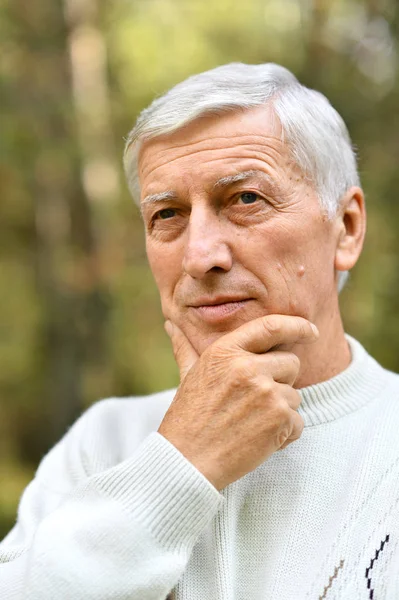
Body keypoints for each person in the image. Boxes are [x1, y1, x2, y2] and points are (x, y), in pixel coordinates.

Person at [1, 62, 398, 600]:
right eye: (167, 214)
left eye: (245, 200)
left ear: (346, 228)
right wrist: (180, 461)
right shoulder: (105, 441)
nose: (199, 256)